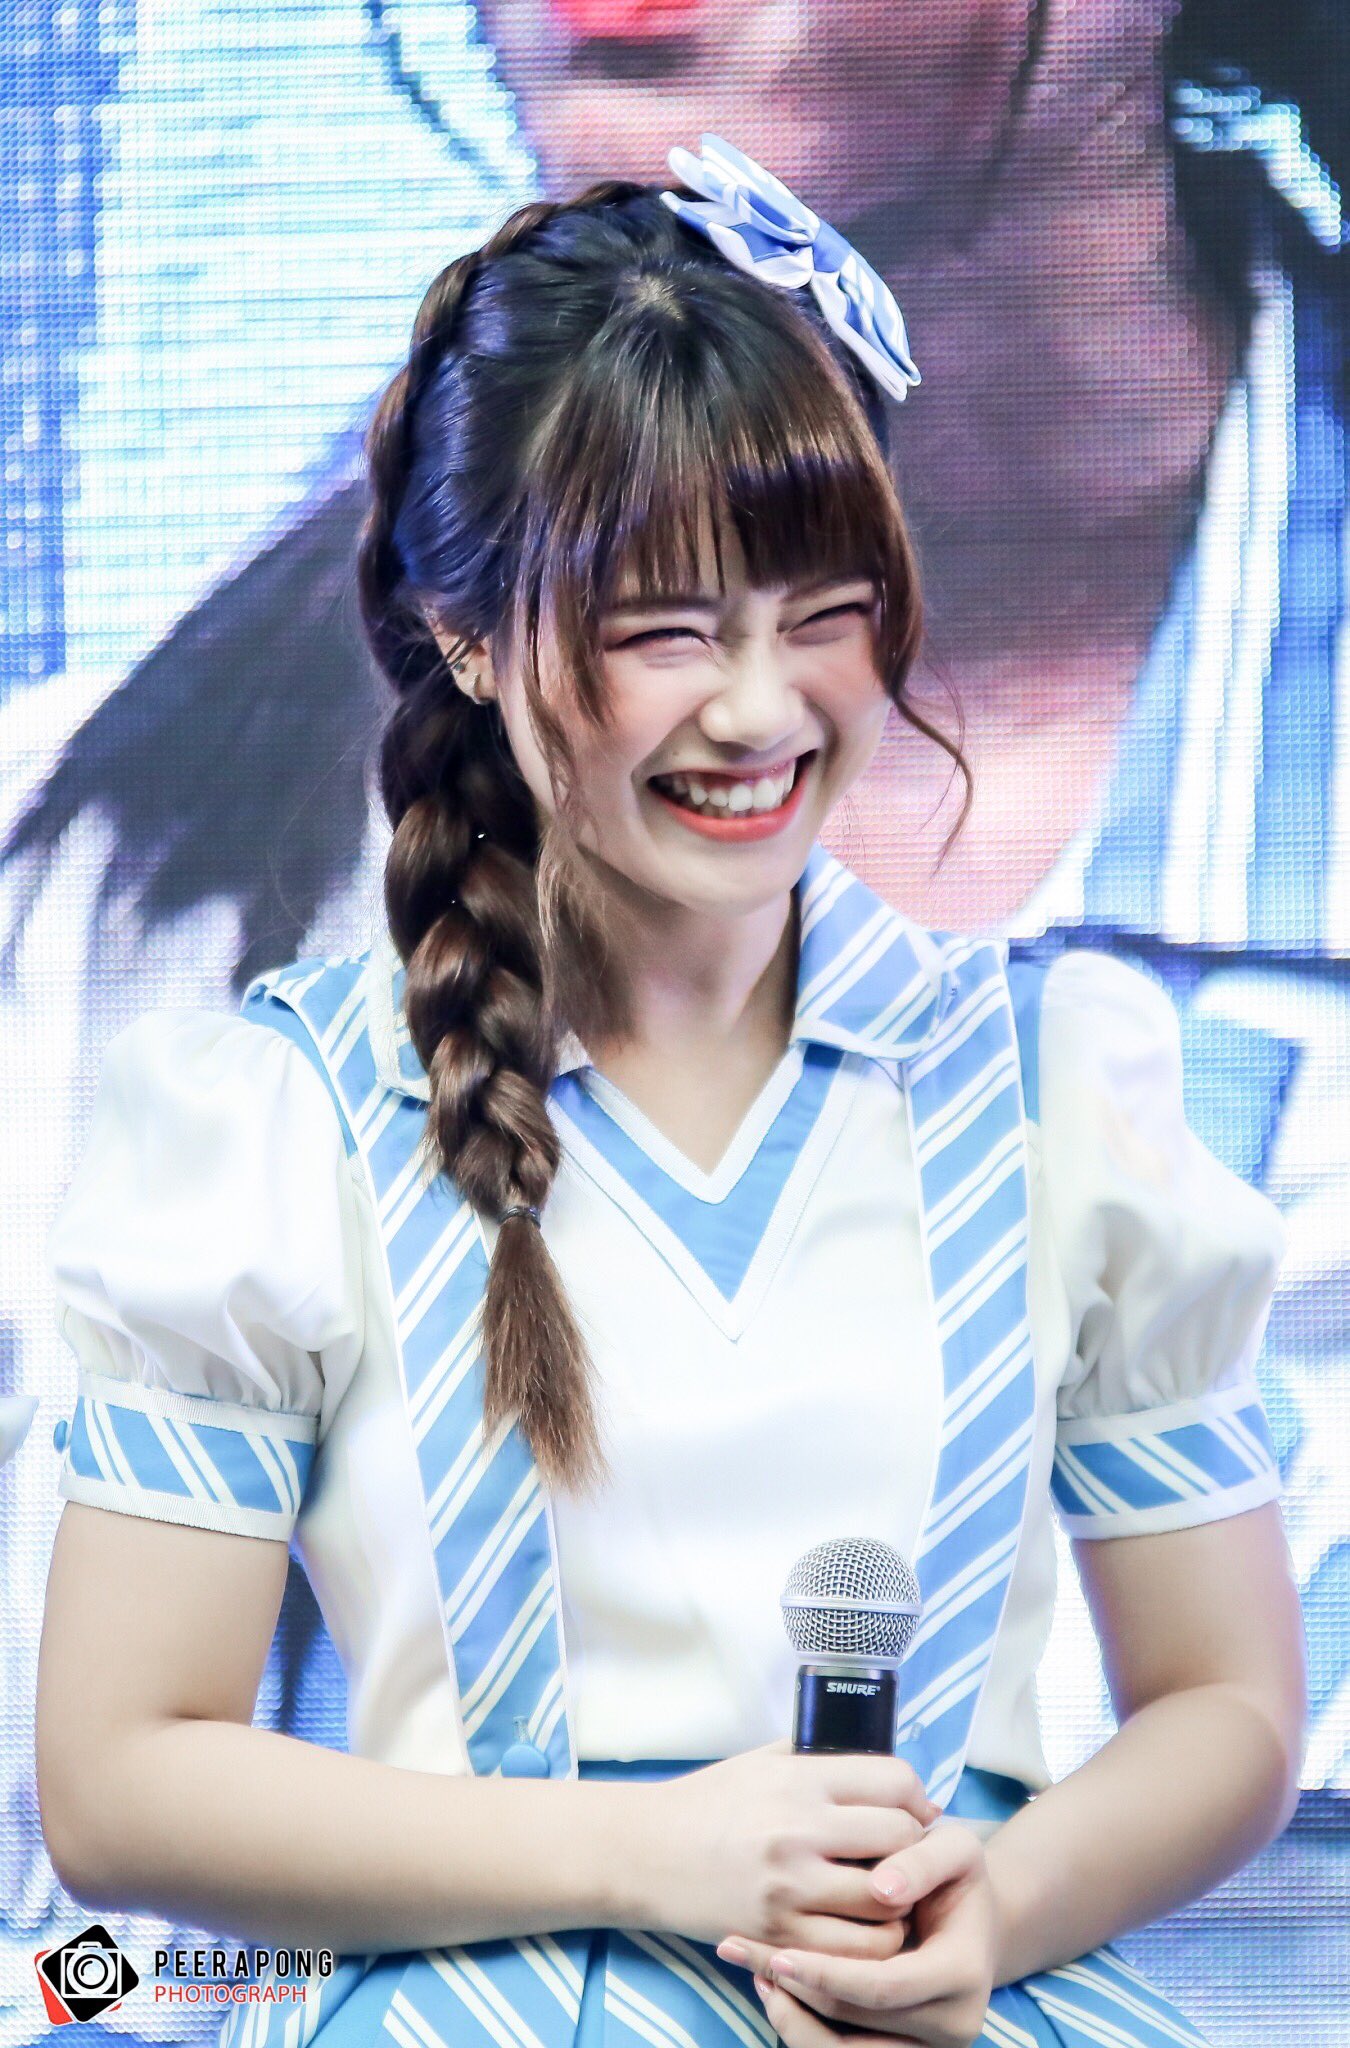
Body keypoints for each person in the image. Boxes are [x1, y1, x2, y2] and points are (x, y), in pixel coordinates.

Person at [33, 140, 1305, 2048]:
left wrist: (992, 1904)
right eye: (664, 633)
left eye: (825, 614)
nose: (761, 710)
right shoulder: (279, 1119)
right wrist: (654, 1859)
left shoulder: (1059, 1087)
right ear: (468, 636)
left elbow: (1226, 1702)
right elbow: (123, 1780)